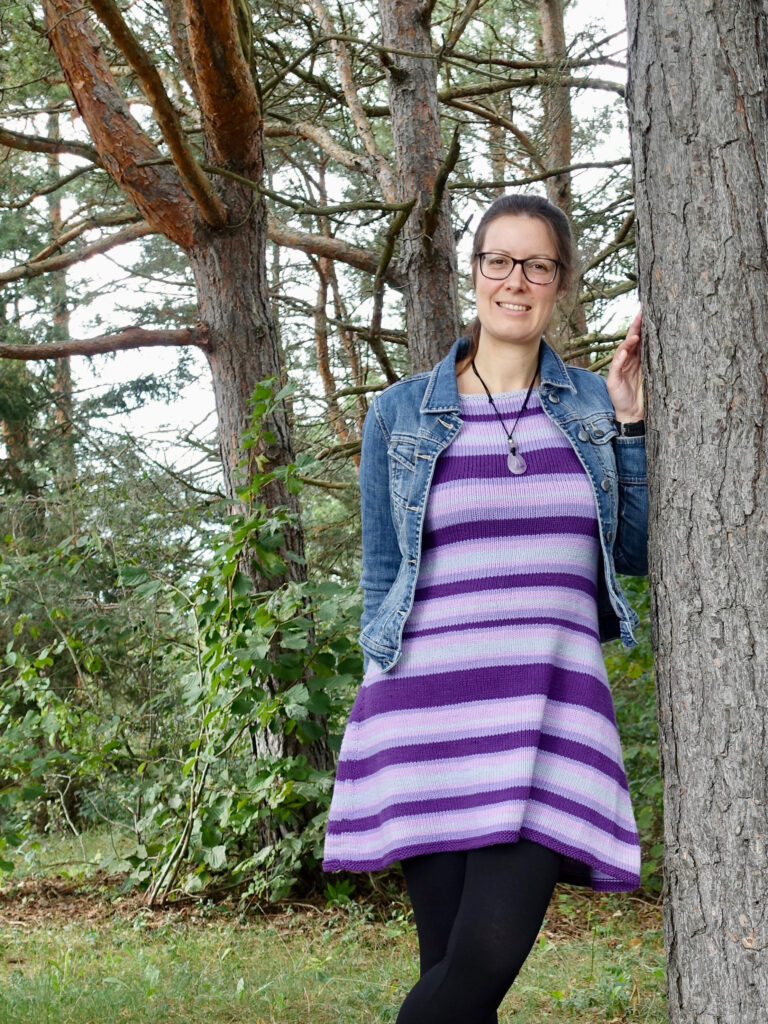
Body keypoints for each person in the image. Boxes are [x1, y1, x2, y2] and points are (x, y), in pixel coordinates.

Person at [322, 193, 647, 1024]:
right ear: (474, 274)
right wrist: (375, 694)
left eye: (537, 265)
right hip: (427, 721)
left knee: (474, 973)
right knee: (455, 981)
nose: (516, 281)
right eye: (498, 261)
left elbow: (637, 553)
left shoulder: (592, 407)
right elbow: (381, 572)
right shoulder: (398, 415)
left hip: (551, 718)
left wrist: (635, 427)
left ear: (561, 283)